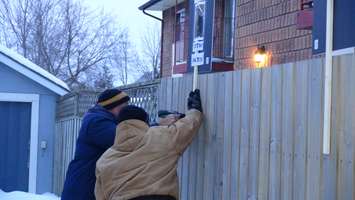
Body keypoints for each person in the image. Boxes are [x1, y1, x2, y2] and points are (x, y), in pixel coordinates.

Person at [95, 89, 203, 200]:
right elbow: (186, 127)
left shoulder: (104, 160)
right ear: (145, 121)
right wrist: (194, 109)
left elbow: (100, 196)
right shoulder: (160, 136)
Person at [61, 89, 130, 200]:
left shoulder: (102, 119)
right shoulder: (97, 122)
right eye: (123, 106)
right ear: (112, 106)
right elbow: (124, 139)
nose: (125, 110)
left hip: (87, 183)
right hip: (84, 186)